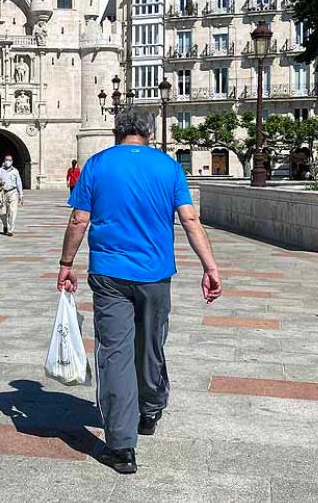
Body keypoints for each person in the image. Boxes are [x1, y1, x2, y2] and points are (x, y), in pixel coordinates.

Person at [58, 107, 223, 475]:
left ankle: (121, 446)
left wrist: (66, 263)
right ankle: (149, 410)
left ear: (117, 131)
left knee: (115, 353)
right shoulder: (169, 167)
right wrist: (210, 267)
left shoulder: (97, 164)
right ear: (148, 133)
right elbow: (190, 218)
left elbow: (79, 218)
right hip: (155, 274)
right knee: (150, 343)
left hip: (109, 274)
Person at [0, 155, 23, 236]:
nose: (8, 161)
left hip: (13, 192)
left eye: (9, 160)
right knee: (2, 212)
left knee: (12, 211)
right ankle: (5, 225)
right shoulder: (0, 171)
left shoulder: (15, 171)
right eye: (6, 160)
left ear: (12, 161)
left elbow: (19, 183)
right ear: (4, 160)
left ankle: (10, 230)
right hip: (2, 193)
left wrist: (21, 195)